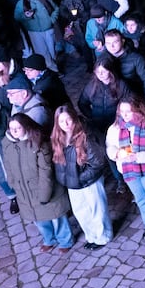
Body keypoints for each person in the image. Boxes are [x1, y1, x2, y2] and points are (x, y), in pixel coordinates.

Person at [0, 113, 73, 251]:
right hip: (24, 190)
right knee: (38, 218)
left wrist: (44, 194)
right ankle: (48, 239)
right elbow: (7, 165)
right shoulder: (7, 143)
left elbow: (46, 172)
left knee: (56, 217)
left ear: (26, 127)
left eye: (17, 128)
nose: (14, 132)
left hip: (44, 188)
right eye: (11, 128)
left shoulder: (39, 143)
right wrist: (12, 182)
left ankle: (65, 241)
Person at [105, 97, 145, 242]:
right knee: (141, 199)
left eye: (129, 111)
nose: (125, 115)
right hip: (128, 170)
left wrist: (138, 157)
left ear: (138, 110)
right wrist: (116, 154)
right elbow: (110, 146)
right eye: (122, 111)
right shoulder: (115, 128)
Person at [52, 105, 112, 249]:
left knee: (97, 210)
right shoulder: (58, 138)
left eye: (68, 120)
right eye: (61, 122)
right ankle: (91, 236)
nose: (65, 124)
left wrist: (80, 178)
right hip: (73, 183)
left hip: (88, 181)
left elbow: (97, 163)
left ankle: (103, 237)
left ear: (74, 119)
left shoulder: (85, 135)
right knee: (81, 211)